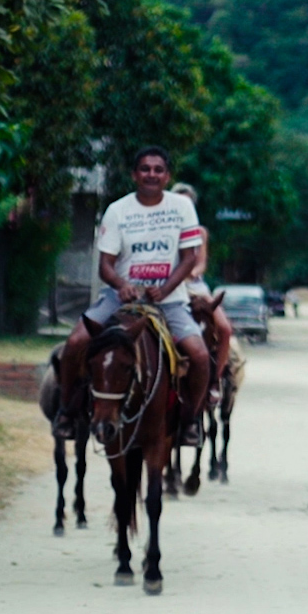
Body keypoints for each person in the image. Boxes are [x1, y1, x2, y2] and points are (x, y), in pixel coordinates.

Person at [56, 147, 211, 446]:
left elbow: (190, 257)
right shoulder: (118, 210)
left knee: (201, 355)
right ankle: (67, 410)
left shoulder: (181, 207)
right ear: (134, 174)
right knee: (75, 342)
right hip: (120, 298)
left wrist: (165, 289)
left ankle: (191, 420)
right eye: (144, 169)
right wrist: (121, 285)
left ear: (167, 176)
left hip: (171, 300)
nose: (151, 174)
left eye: (157, 169)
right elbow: (105, 266)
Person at [168, 182, 234, 406]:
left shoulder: (200, 232)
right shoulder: (163, 230)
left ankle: (215, 380)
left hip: (194, 286)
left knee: (224, 328)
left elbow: (201, 264)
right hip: (167, 285)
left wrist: (188, 274)